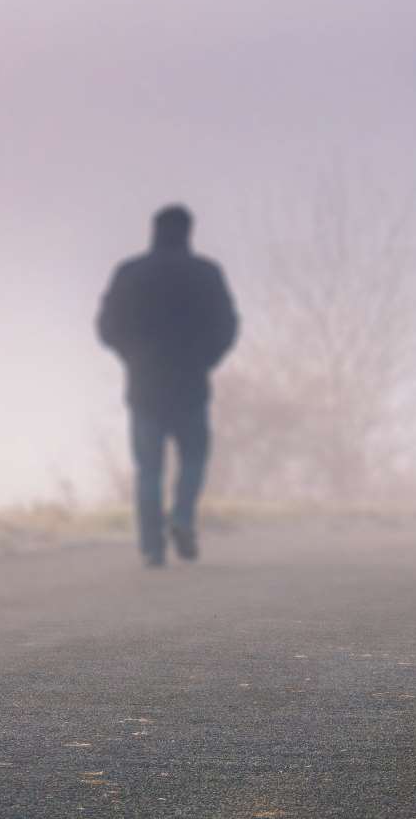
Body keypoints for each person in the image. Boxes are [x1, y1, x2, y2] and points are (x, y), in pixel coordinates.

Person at [98, 205, 238, 567]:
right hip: (191, 383)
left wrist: (131, 356)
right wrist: (207, 359)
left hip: (144, 384)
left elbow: (107, 326)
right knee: (193, 457)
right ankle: (182, 517)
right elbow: (227, 325)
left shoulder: (129, 274)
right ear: (188, 232)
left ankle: (151, 546)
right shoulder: (206, 274)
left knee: (149, 468)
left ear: (154, 230)